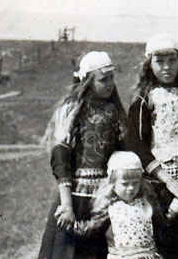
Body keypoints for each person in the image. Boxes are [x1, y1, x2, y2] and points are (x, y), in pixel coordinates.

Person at [38, 51, 127, 259]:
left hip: (103, 199)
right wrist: (67, 205)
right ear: (87, 81)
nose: (110, 84)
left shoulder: (114, 111)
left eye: (112, 78)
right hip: (75, 197)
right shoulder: (72, 109)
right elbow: (61, 156)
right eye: (103, 79)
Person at [126, 33, 178, 259]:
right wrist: (168, 181)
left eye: (172, 61)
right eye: (160, 62)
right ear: (149, 65)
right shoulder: (143, 98)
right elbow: (136, 144)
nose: (167, 67)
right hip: (156, 184)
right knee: (159, 244)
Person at [57, 151, 171, 259]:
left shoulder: (146, 203)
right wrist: (71, 225)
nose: (131, 188)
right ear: (112, 184)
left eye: (135, 183)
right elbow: (91, 228)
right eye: (125, 184)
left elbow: (161, 224)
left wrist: (172, 213)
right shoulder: (110, 207)